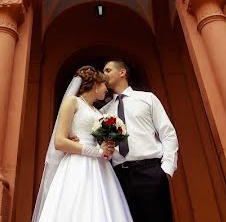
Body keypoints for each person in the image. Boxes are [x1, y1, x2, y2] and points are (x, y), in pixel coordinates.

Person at [32, 66, 134, 222]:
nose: (106, 89)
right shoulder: (73, 101)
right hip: (77, 164)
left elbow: (99, 143)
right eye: (103, 85)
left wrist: (107, 148)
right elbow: (59, 141)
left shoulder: (98, 112)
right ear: (95, 85)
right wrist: (96, 152)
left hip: (100, 166)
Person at [101, 60, 178, 222]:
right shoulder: (104, 112)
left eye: (108, 70)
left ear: (122, 72)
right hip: (119, 176)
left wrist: (166, 170)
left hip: (150, 172)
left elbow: (168, 133)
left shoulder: (147, 98)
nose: (104, 74)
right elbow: (105, 147)